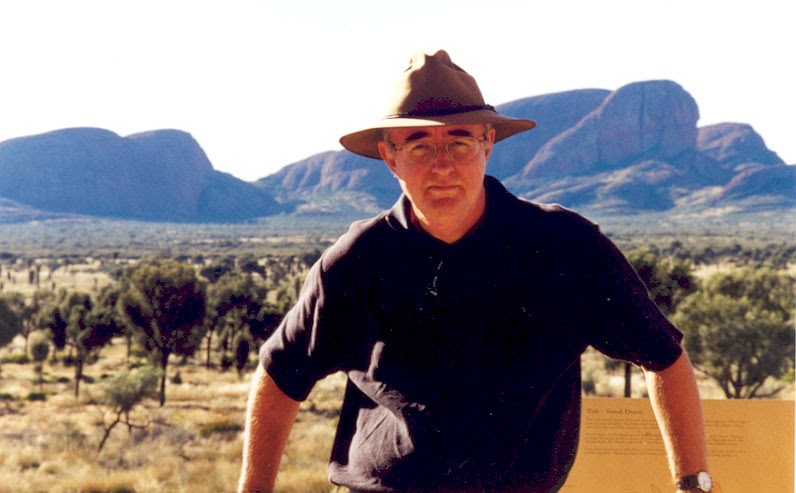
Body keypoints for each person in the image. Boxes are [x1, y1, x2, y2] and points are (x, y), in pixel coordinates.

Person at [239, 50, 712, 493]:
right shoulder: (357, 260)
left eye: (459, 142)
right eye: (419, 145)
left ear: (487, 145)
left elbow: (664, 358)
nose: (442, 165)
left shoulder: (566, 247)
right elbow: (280, 374)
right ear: (390, 156)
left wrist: (693, 485)